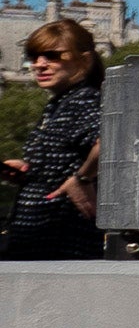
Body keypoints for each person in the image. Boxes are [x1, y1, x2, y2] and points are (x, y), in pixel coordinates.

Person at [5, 18, 106, 260]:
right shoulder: (60, 103)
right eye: (34, 56)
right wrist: (30, 170)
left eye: (52, 56)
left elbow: (111, 142)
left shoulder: (82, 101)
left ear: (84, 60)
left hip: (60, 244)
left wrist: (82, 178)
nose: (39, 64)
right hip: (40, 241)